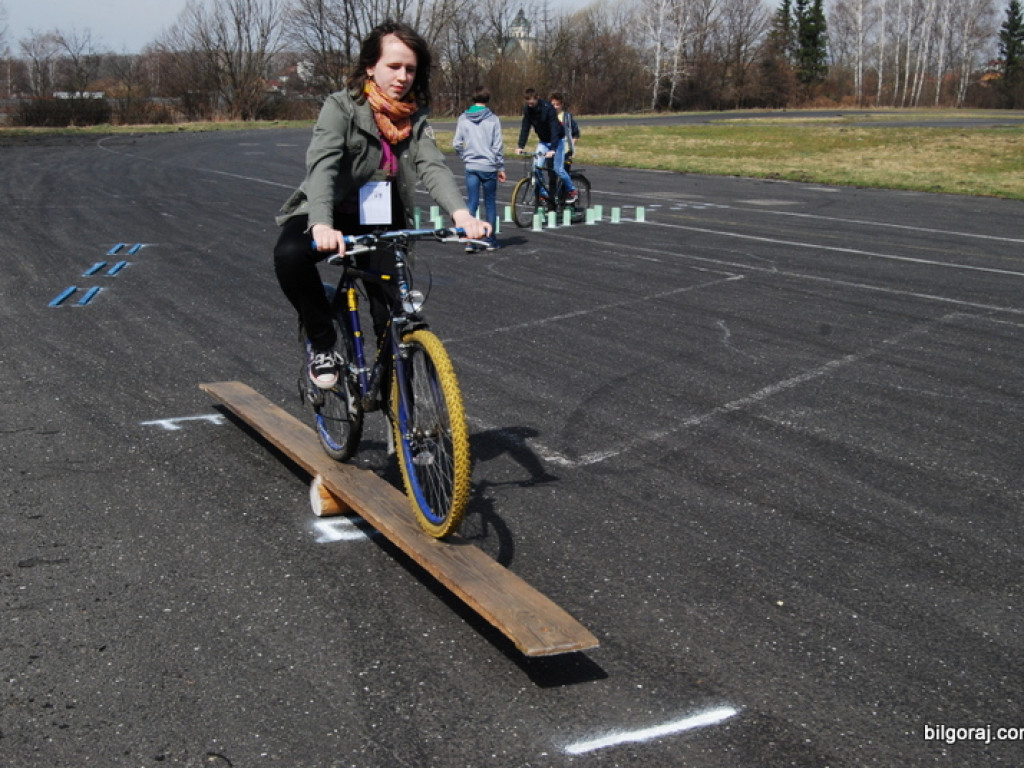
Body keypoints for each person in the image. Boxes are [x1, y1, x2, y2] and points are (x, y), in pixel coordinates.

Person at [273, 20, 491, 390]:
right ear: (371, 67)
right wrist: (322, 223)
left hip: (381, 217)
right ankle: (323, 342)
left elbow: (431, 165)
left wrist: (462, 214)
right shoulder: (340, 107)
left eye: (410, 68)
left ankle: (401, 425)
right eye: (393, 66)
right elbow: (323, 165)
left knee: (391, 317)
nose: (403, 76)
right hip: (333, 212)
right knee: (290, 254)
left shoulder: (414, 115)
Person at [453, 86, 506, 252]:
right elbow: (497, 146)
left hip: (471, 166)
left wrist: (465, 156)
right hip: (489, 166)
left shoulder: (463, 118)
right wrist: (500, 166)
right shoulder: (493, 119)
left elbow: (456, 143)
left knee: (472, 204)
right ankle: (490, 239)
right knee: (490, 203)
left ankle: (469, 240)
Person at [515, 88, 576, 203]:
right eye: (528, 102)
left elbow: (554, 129)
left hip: (557, 140)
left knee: (558, 169)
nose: (530, 104)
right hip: (543, 141)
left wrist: (553, 149)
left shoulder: (548, 108)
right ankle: (543, 193)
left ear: (537, 98)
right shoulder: (528, 110)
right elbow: (525, 127)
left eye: (532, 102)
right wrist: (520, 145)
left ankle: (571, 190)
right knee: (536, 168)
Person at [548, 92, 580, 162]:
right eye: (553, 104)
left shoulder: (567, 117)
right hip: (551, 151)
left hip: (565, 151)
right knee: (551, 171)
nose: (555, 107)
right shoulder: (547, 117)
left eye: (558, 104)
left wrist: (571, 148)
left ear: (561, 105)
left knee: (563, 171)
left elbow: (576, 134)